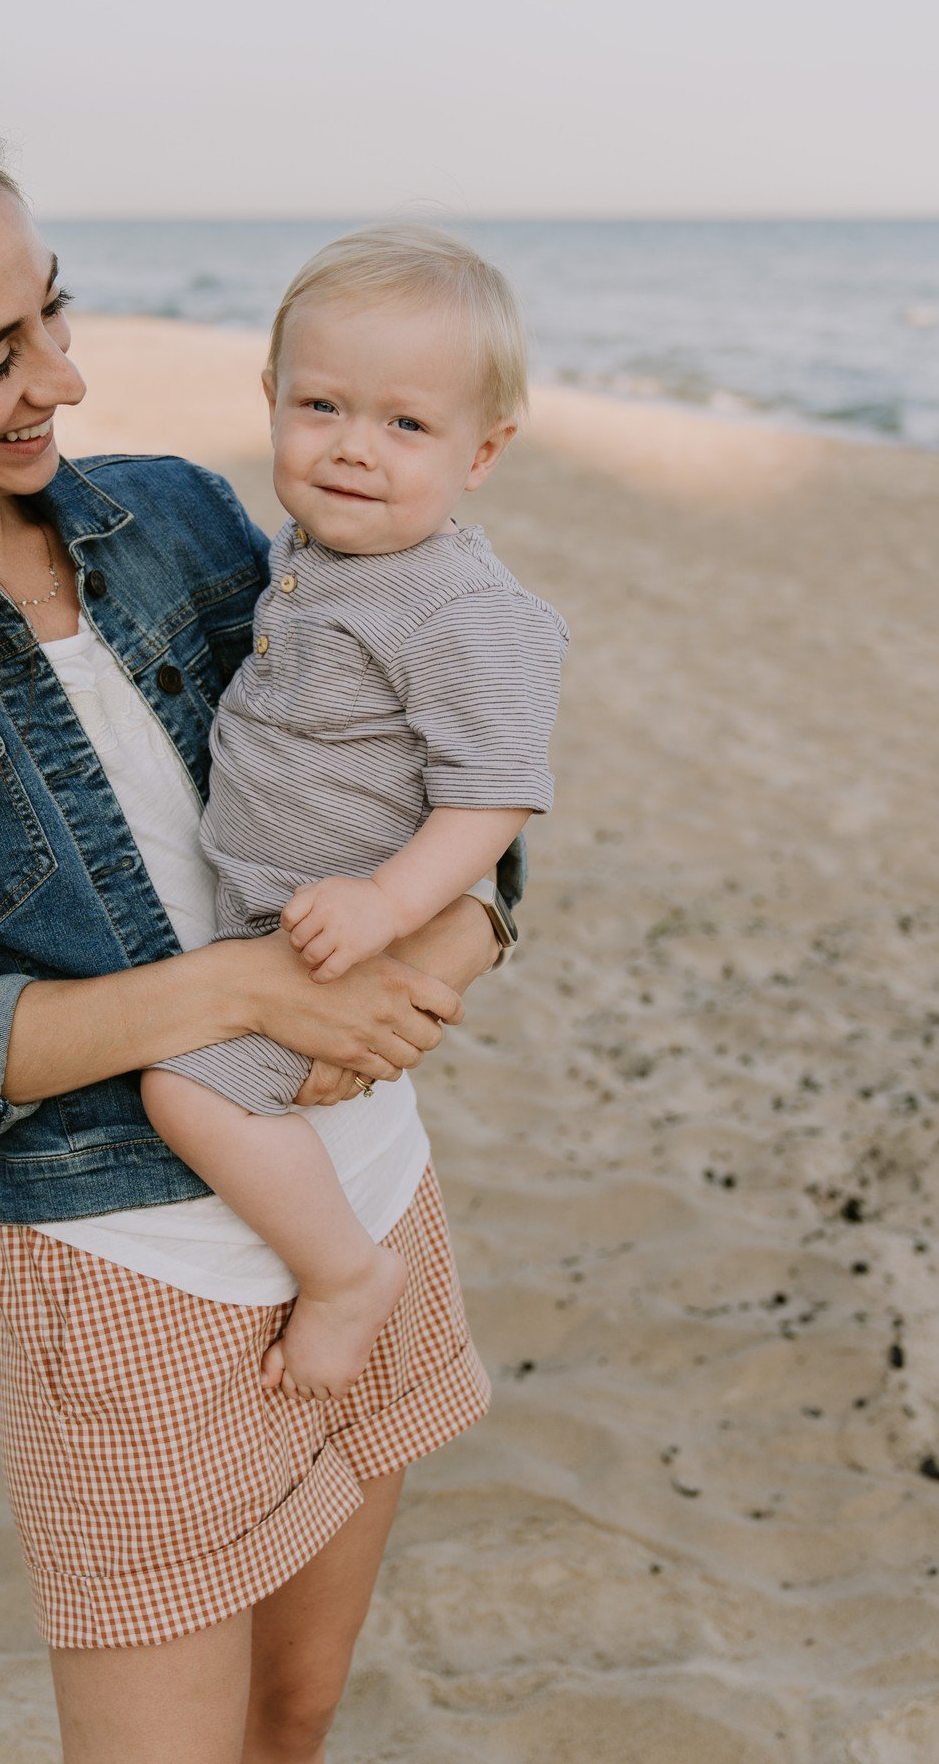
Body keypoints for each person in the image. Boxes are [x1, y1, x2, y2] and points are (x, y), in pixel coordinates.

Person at [0, 97, 526, 1762]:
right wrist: (228, 992)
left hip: (373, 1188)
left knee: (299, 1712)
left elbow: (444, 766)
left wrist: (453, 946)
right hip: (130, 1275)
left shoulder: (185, 520)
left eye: (51, 302)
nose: (61, 375)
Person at [139, 226, 568, 1403]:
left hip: (331, 942)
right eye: (322, 405)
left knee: (182, 1088)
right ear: (270, 398)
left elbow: (495, 795)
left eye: (407, 425)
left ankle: (342, 1274)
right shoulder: (310, 553)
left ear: (483, 453)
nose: (354, 450)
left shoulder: (462, 609)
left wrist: (392, 904)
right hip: (273, 919)